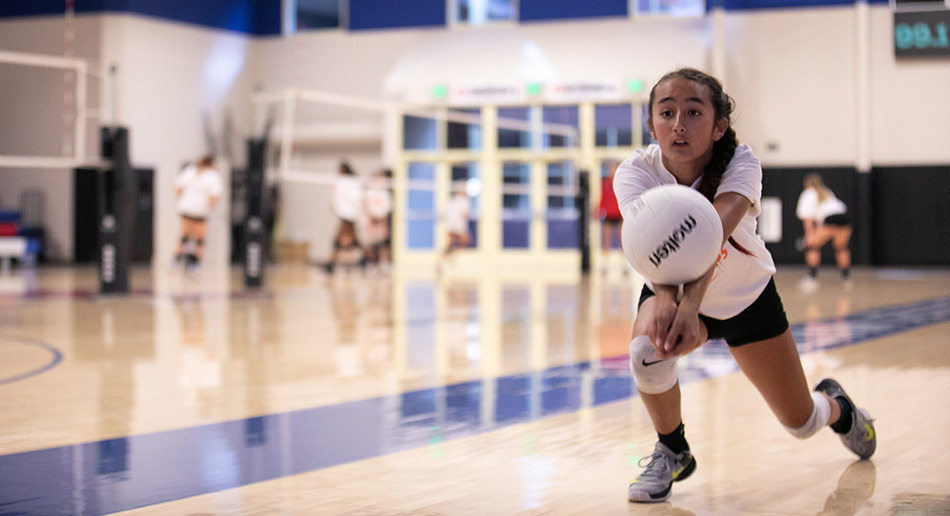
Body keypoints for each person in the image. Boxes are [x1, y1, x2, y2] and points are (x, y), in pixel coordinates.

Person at [612, 68, 876, 504]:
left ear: (719, 127)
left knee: (801, 422)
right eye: (667, 112)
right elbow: (651, 248)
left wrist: (691, 304)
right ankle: (672, 448)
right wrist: (667, 299)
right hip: (670, 285)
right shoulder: (634, 173)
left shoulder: (742, 162)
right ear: (651, 123)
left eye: (694, 112)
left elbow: (708, 233)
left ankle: (839, 408)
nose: (679, 123)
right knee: (646, 351)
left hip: (746, 298)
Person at [796, 173, 852, 292]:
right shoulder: (827, 192)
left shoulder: (808, 193)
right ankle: (847, 279)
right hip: (844, 219)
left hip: (829, 220)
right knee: (841, 248)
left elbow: (808, 218)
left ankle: (812, 278)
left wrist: (809, 236)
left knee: (812, 247)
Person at [174, 156, 222, 268]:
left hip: (186, 207)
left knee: (185, 234)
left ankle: (178, 257)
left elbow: (178, 187)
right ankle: (195, 260)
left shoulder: (190, 170)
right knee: (200, 236)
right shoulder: (212, 175)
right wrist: (211, 207)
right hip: (200, 210)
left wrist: (180, 201)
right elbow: (214, 195)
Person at [325, 161, 363, 274]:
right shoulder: (351, 182)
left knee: (340, 240)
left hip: (348, 215)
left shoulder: (346, 182)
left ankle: (331, 264)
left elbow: (357, 198)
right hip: (347, 214)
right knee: (351, 239)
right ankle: (364, 260)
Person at [595, 160, 623, 272]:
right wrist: (597, 210)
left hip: (619, 215)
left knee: (622, 241)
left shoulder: (621, 184)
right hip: (608, 215)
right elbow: (602, 199)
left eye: (614, 168)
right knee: (606, 240)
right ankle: (604, 265)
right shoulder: (606, 184)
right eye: (611, 168)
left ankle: (623, 266)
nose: (612, 170)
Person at [364, 168, 393, 270]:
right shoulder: (371, 190)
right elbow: (367, 204)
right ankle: (372, 262)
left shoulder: (385, 191)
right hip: (373, 218)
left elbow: (387, 205)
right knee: (373, 243)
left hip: (382, 218)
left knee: (383, 242)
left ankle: (384, 262)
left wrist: (382, 217)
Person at [442, 184, 471, 260]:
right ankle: (452, 255)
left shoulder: (453, 200)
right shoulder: (463, 200)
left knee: (451, 243)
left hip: (451, 225)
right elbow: (464, 214)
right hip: (458, 225)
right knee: (466, 241)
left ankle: (447, 256)